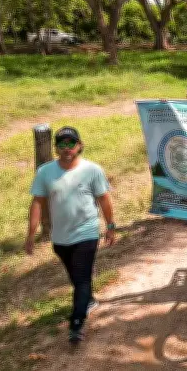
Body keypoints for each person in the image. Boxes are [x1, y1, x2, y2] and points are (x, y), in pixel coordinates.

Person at [26, 126, 115, 345]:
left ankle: (76, 323)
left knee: (82, 279)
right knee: (77, 278)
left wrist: (110, 225)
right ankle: (89, 300)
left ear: (80, 146)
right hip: (61, 238)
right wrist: (30, 234)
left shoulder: (92, 170)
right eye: (62, 144)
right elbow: (38, 202)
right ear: (56, 148)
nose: (67, 148)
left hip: (87, 232)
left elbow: (104, 199)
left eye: (71, 143)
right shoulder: (45, 172)